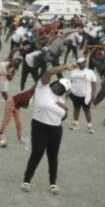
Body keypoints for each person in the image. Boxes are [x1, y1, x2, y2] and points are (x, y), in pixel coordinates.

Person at [21, 63, 74, 195]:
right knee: (37, 154)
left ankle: (53, 183)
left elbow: (62, 117)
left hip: (56, 129)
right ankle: (27, 180)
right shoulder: (42, 88)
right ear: (55, 82)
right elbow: (49, 72)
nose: (58, 87)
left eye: (62, 88)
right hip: (39, 125)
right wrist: (66, 67)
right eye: (58, 84)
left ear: (63, 91)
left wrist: (66, 110)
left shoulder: (60, 99)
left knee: (53, 156)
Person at [68, 57, 97, 133]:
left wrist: (93, 93)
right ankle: (75, 123)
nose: (83, 64)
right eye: (81, 63)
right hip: (75, 94)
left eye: (84, 62)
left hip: (86, 95)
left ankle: (89, 126)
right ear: (78, 64)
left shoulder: (89, 72)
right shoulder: (73, 72)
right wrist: (67, 91)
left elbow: (94, 83)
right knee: (76, 109)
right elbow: (70, 82)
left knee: (87, 110)